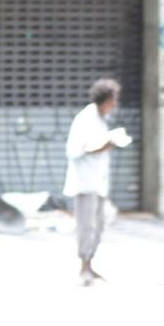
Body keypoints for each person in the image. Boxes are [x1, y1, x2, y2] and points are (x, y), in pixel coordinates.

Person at [64, 78, 121, 285]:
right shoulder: (85, 119)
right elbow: (74, 150)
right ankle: (84, 268)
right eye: (113, 100)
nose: (114, 104)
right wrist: (101, 147)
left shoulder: (100, 120)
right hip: (84, 183)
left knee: (98, 226)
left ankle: (90, 265)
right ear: (105, 99)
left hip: (98, 183)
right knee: (86, 226)